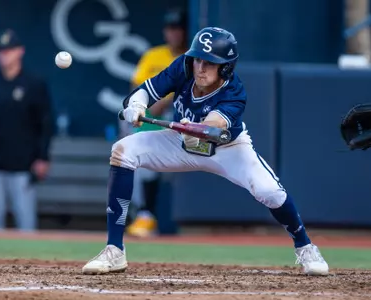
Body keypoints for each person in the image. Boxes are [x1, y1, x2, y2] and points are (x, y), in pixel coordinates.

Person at [82, 27, 329, 276]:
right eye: (198, 59)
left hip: (227, 149)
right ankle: (114, 249)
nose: (200, 67)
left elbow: (214, 125)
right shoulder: (184, 66)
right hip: (181, 141)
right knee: (123, 150)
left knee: (270, 192)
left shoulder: (234, 91)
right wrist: (137, 105)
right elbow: (146, 89)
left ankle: (305, 247)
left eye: (210, 63)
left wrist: (197, 127)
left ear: (226, 68)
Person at [126, 8, 188, 238]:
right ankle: (144, 214)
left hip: (178, 119)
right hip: (151, 119)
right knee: (139, 159)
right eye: (170, 29)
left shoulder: (191, 59)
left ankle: (152, 215)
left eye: (178, 29)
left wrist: (164, 101)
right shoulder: (153, 55)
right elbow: (135, 86)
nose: (173, 34)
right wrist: (143, 104)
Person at [0, 29, 53, 231]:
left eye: (9, 50)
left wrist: (43, 157)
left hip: (24, 166)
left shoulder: (33, 84)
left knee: (26, 225)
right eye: (1, 51)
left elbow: (46, 122)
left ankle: (28, 263)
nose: (4, 55)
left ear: (20, 52)